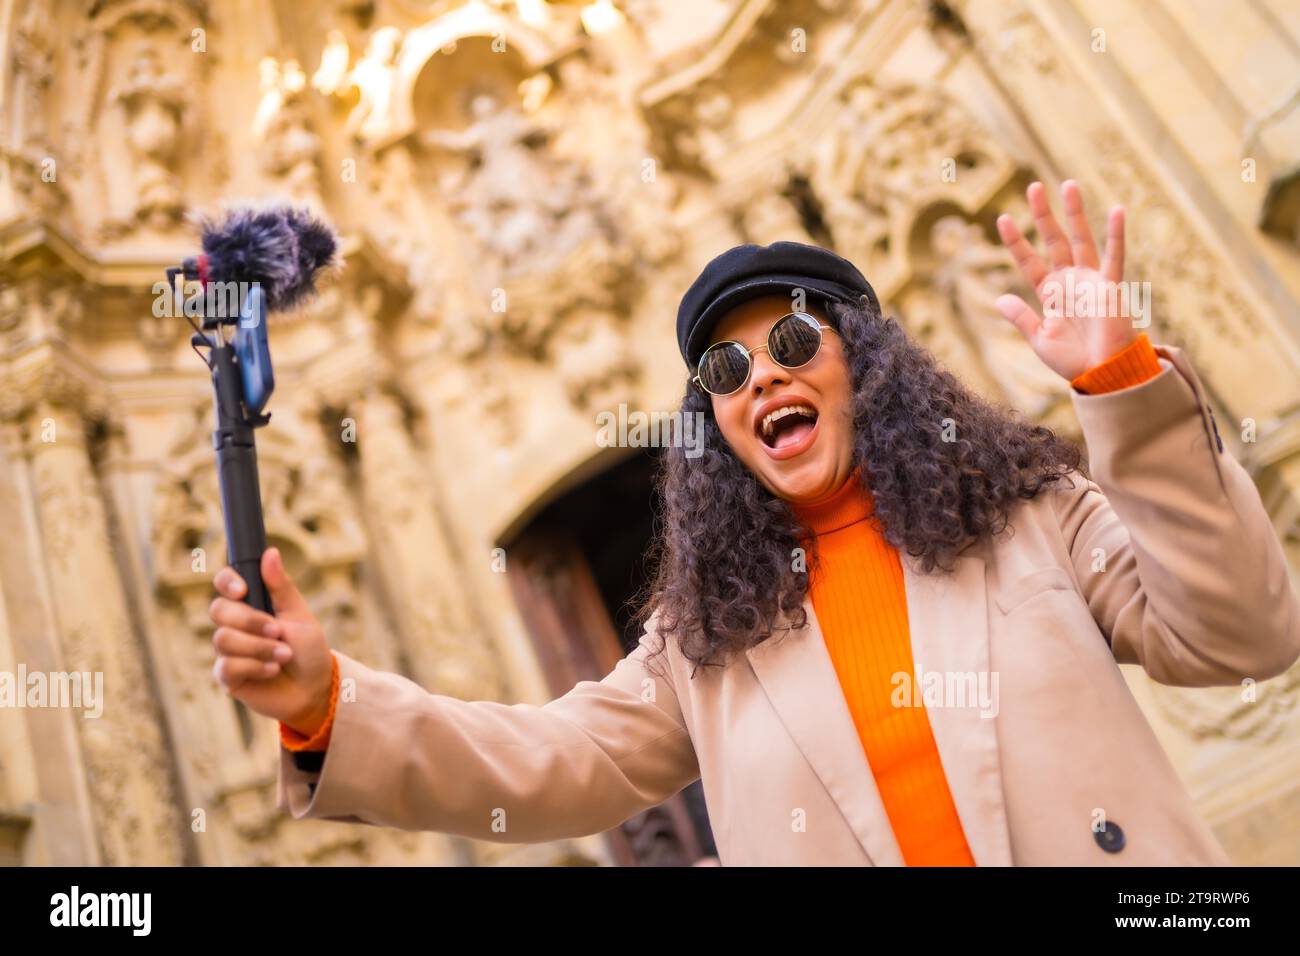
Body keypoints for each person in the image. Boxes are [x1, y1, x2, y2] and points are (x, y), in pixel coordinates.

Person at [208, 181, 1300, 865]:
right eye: (724, 370)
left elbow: (1239, 635)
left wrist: (1120, 385)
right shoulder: (711, 636)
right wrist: (326, 703)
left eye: (789, 342)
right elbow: (551, 758)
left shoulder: (1031, 516)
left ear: (861, 361)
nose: (758, 377)